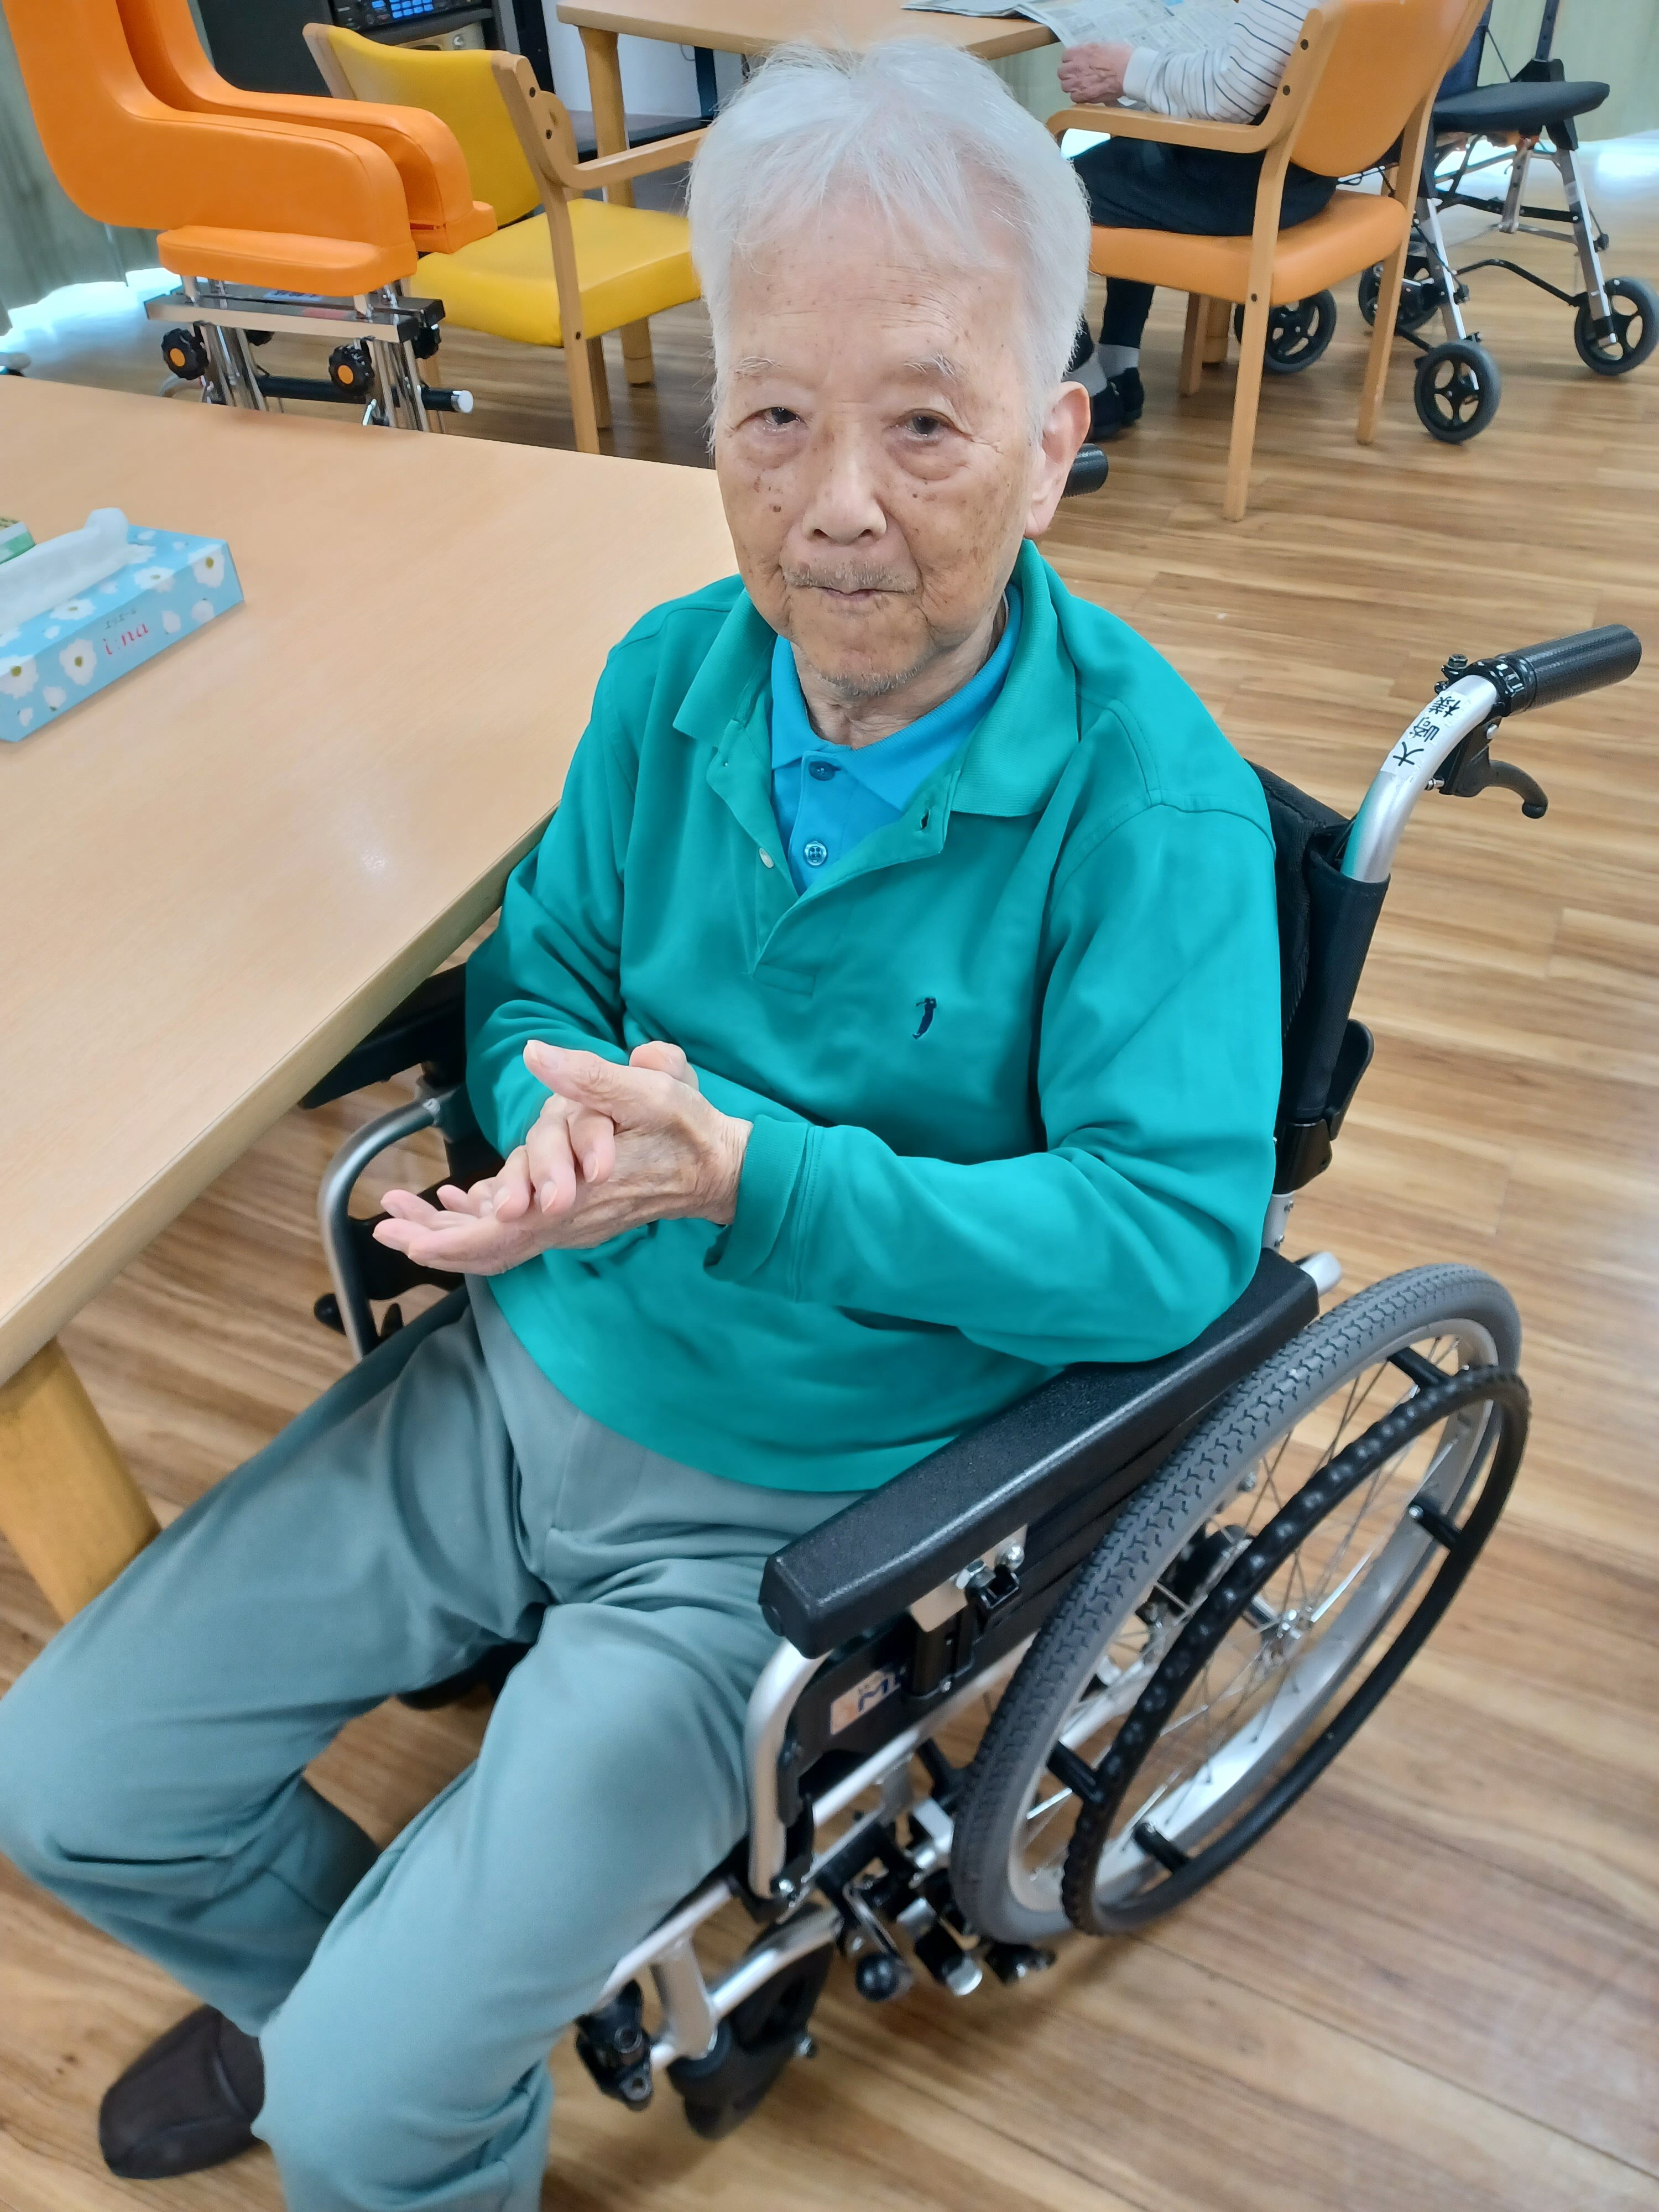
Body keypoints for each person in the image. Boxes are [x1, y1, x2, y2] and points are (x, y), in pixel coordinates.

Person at [0, 38, 1281, 2211]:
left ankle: (384, 2068)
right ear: (714, 421)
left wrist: (761, 1183)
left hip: (782, 1520)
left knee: (366, 2122)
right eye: (773, 416)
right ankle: (366, 2010)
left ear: (1055, 447)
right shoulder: (669, 678)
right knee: (64, 1781)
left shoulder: (1150, 811)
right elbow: (545, 983)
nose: (837, 503)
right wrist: (541, 1139)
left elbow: (1169, 1244)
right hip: (522, 1374)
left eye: (927, 423)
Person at [1058, 0, 1331, 438]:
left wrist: (1127, 70)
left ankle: (1085, 388)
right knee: (1129, 155)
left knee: (1033, 195)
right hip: (1309, 178)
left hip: (1242, 188)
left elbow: (1228, 96)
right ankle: (1119, 365)